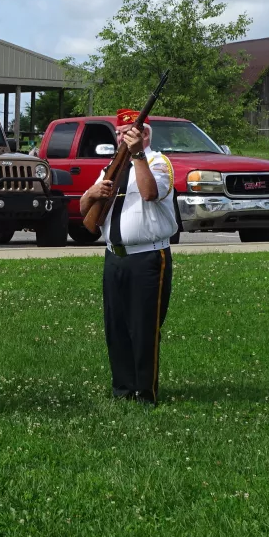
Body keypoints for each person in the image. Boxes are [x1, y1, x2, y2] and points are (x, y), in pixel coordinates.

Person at [79, 109, 177, 406]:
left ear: (145, 135)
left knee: (145, 327)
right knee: (117, 327)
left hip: (148, 256)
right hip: (115, 256)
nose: (121, 137)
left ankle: (146, 393)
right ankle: (123, 390)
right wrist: (94, 192)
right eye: (119, 133)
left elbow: (149, 193)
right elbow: (85, 211)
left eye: (129, 133)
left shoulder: (159, 163)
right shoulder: (111, 166)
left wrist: (137, 156)